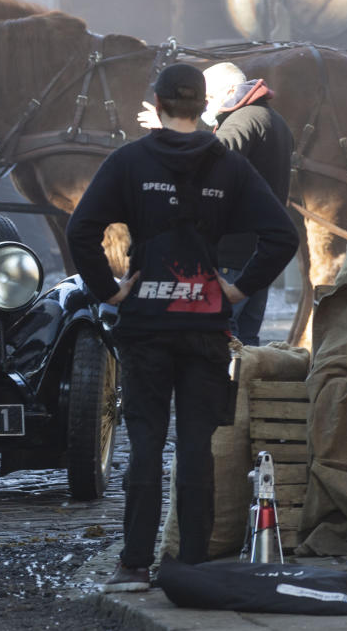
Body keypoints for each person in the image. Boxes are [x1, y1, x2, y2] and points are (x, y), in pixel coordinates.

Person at [68, 63, 298, 592]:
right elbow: (281, 236)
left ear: (158, 101)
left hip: (145, 327)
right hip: (205, 329)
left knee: (145, 446)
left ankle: (133, 566)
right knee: (196, 449)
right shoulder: (228, 165)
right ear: (204, 105)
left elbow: (81, 229)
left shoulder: (129, 161)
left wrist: (110, 290)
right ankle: (191, 567)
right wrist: (237, 289)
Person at [136, 61, 294, 345]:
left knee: (219, 334)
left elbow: (213, 161)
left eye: (208, 98)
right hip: (259, 250)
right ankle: (238, 391)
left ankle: (220, 390)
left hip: (233, 253)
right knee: (246, 341)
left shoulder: (243, 120)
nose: (203, 105)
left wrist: (168, 129)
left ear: (232, 90)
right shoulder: (274, 120)